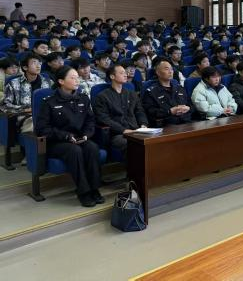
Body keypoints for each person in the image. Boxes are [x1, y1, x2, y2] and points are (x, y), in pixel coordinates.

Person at [35, 66, 104, 207]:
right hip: (57, 142)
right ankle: (83, 191)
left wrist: (86, 134)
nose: (77, 80)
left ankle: (94, 188)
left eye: (77, 77)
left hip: (79, 138)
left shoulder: (83, 98)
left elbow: (90, 120)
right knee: (75, 151)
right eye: (72, 78)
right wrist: (65, 136)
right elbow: (42, 128)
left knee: (92, 147)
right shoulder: (49, 101)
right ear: (61, 81)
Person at [93, 64, 148, 159]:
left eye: (125, 72)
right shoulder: (102, 96)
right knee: (134, 144)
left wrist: (143, 124)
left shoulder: (131, 94)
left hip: (136, 131)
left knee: (154, 141)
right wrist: (123, 130)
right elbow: (104, 119)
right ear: (112, 76)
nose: (126, 75)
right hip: (118, 134)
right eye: (122, 73)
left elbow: (139, 111)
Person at [2, 53, 53, 135]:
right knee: (37, 124)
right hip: (26, 118)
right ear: (25, 67)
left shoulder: (48, 82)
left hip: (46, 116)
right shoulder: (14, 83)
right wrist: (25, 109)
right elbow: (4, 106)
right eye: (34, 63)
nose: (38, 66)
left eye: (39, 63)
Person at [142, 59, 192, 126]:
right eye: (166, 69)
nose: (170, 72)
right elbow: (150, 111)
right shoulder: (151, 92)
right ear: (158, 72)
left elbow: (190, 104)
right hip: (166, 125)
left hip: (186, 122)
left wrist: (188, 108)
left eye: (171, 69)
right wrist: (169, 111)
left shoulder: (179, 88)